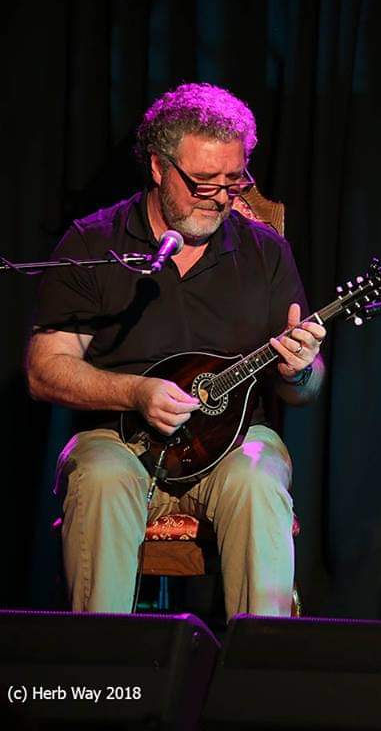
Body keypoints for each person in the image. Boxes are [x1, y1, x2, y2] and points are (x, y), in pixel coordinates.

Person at [26, 82, 325, 618]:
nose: (220, 197)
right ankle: (100, 664)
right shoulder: (94, 243)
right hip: (118, 440)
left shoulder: (264, 252)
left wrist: (301, 371)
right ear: (159, 168)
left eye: (234, 181)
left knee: (259, 477)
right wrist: (135, 392)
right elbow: (44, 369)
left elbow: (305, 388)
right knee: (100, 478)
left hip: (233, 445)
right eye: (203, 182)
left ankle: (258, 663)